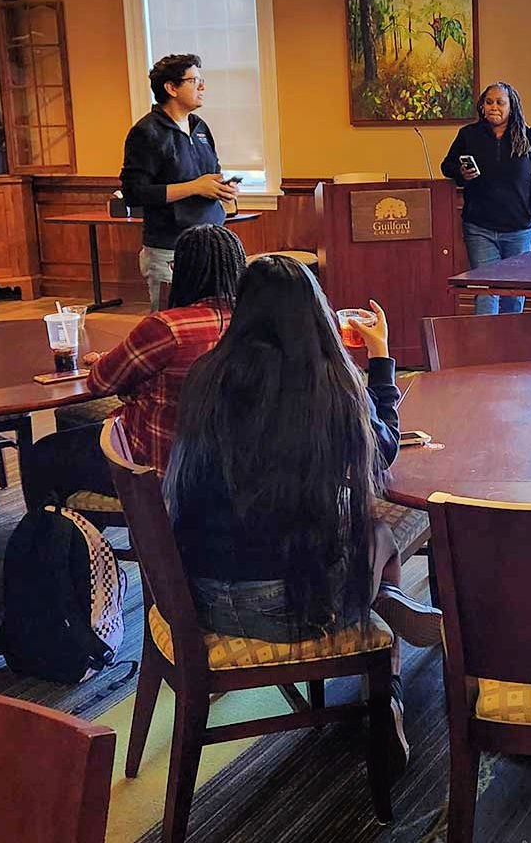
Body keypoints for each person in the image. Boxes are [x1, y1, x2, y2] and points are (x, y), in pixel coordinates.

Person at [165, 255, 440, 764]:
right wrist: (380, 361)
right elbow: (380, 453)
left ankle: (387, 608)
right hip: (293, 607)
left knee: (353, 535)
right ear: (317, 314)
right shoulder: (326, 386)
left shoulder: (206, 376)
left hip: (194, 598)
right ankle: (390, 680)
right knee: (378, 529)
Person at [81, 224, 246, 472]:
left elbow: (100, 382)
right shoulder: (255, 322)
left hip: (158, 473)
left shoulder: (166, 328)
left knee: (49, 449)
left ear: (181, 272)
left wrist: (116, 370)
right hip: (234, 472)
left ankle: (68, 510)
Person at [120, 53, 237, 311]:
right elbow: (133, 193)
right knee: (171, 325)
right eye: (194, 81)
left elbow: (211, 173)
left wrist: (221, 188)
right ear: (171, 88)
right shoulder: (146, 132)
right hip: (170, 248)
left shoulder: (200, 127)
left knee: (214, 324)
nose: (202, 87)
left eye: (201, 80)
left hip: (211, 243)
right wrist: (195, 187)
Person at [441, 81, 531, 315]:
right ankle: (484, 349)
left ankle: (512, 348)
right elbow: (447, 166)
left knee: (514, 293)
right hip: (479, 228)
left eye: (500, 103)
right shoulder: (468, 135)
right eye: (489, 102)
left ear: (511, 107)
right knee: (485, 291)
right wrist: (462, 174)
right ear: (482, 106)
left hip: (520, 229)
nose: (494, 107)